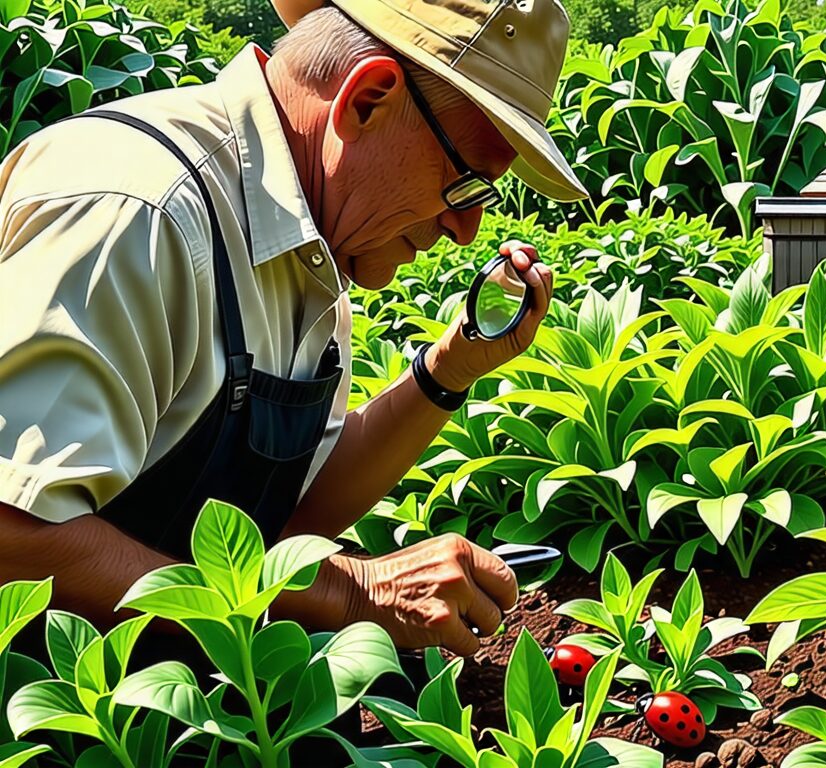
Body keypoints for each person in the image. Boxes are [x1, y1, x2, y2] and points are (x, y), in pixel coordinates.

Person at [0, 0, 587, 657]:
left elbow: (288, 514)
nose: (464, 228)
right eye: (465, 185)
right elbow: (13, 537)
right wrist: (347, 593)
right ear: (366, 100)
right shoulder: (140, 211)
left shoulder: (308, 237)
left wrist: (449, 369)